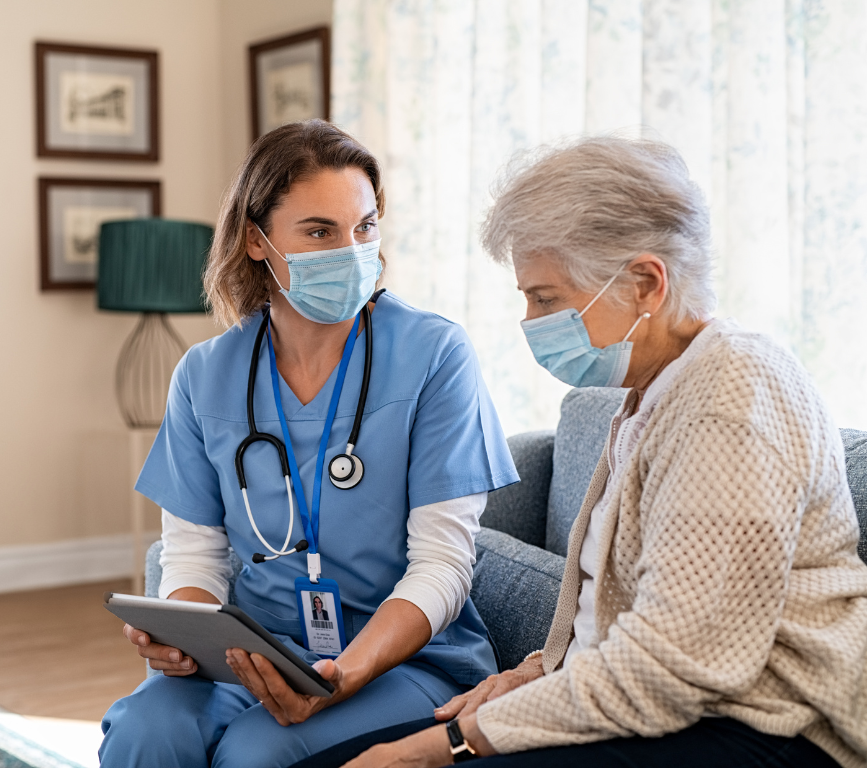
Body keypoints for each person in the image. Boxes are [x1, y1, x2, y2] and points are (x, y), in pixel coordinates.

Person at [302, 136, 867, 768]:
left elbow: (671, 670)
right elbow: (619, 612)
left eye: (546, 298)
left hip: (764, 727)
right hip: (660, 710)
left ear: (646, 283)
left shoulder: (729, 399)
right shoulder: (652, 393)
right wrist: (539, 671)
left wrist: (450, 744)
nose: (530, 321)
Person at [97, 120, 519, 768]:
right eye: (321, 231)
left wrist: (341, 676)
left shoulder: (433, 355)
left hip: (401, 664)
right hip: (255, 654)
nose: (352, 250)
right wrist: (181, 634)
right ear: (257, 240)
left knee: (256, 754)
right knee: (145, 733)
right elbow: (194, 556)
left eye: (365, 227)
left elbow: (442, 565)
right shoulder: (207, 375)